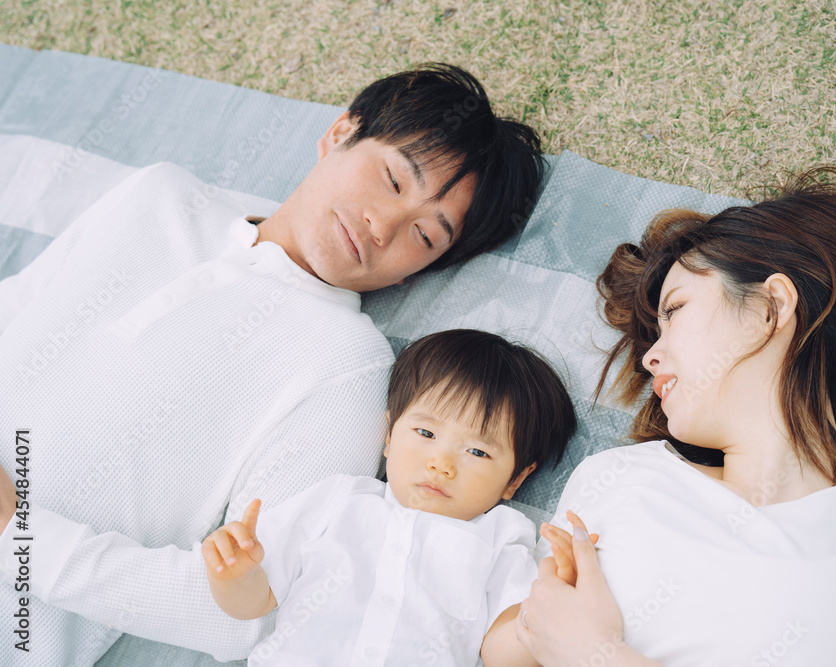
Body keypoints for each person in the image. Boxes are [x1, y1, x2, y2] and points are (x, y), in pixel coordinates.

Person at [0, 64, 544, 664]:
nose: (383, 225)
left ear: (418, 274)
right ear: (341, 132)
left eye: (424, 236)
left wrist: (17, 536)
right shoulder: (157, 196)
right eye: (392, 180)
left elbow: (242, 613)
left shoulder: (348, 368)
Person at [514, 168, 836, 666]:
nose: (650, 358)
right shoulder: (614, 477)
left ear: (771, 307)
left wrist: (593, 653)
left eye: (675, 310)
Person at [197, 329, 578, 665]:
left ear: (516, 479)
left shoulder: (502, 538)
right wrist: (235, 576)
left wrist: (545, 609)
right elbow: (253, 604)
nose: (441, 464)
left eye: (477, 452)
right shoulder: (338, 500)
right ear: (390, 435)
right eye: (426, 433)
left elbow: (502, 656)